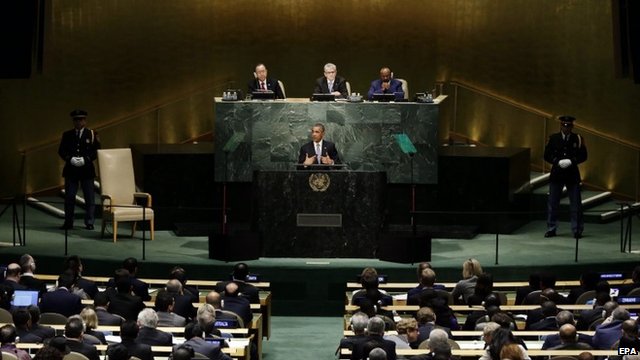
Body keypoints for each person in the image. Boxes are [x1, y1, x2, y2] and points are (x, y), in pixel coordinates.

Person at [544, 115, 587, 238]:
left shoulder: (577, 138)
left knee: (576, 204)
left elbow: (583, 156)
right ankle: (551, 228)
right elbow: (546, 155)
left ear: (572, 126)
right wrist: (556, 161)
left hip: (572, 174)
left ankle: (577, 229)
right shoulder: (553, 138)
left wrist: (572, 161)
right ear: (561, 125)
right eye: (564, 125)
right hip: (557, 173)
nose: (566, 128)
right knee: (553, 203)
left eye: (568, 125)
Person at [58, 109, 100, 230]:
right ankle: (68, 222)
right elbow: (61, 150)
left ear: (85, 121)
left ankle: (89, 222)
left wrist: (86, 159)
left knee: (89, 197)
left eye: (81, 119)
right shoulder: (67, 134)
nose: (78, 122)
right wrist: (69, 158)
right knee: (70, 197)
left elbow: (96, 150)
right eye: (76, 120)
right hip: (71, 170)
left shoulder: (92, 134)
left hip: (86, 170)